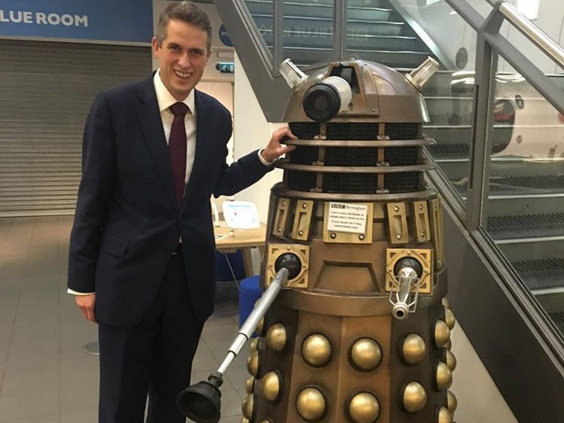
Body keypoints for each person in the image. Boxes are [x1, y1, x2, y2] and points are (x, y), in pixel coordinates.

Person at [67, 2, 295, 422]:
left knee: (173, 398)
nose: (184, 62)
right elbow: (92, 197)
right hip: (127, 278)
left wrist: (265, 156)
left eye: (195, 52)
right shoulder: (115, 108)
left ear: (207, 56)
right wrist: (82, 281)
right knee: (120, 402)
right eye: (175, 48)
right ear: (156, 46)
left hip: (187, 283)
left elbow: (218, 181)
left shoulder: (216, 117)